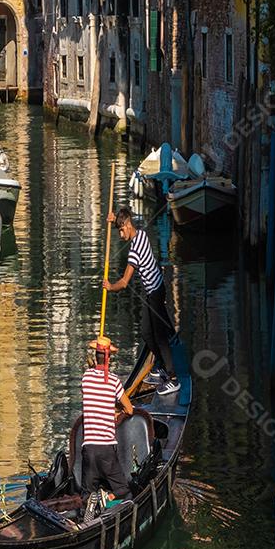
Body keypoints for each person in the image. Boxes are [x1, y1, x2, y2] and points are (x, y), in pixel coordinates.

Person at [104, 206, 180, 396]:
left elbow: (123, 283)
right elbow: (124, 217)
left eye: (121, 230)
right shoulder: (142, 235)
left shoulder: (134, 253)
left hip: (155, 292)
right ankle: (160, 366)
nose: (121, 235)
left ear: (128, 225)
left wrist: (109, 286)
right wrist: (114, 220)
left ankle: (173, 378)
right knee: (147, 332)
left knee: (160, 336)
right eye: (119, 230)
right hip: (154, 291)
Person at [80, 339, 134, 509]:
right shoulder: (114, 381)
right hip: (107, 451)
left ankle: (89, 514)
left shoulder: (86, 378)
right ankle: (108, 497)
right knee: (123, 489)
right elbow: (130, 409)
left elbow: (91, 394)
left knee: (86, 496)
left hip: (88, 450)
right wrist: (117, 411)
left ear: (96, 357)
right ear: (109, 358)